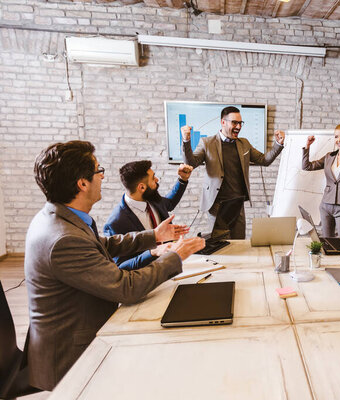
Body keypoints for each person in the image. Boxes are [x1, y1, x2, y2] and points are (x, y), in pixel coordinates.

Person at [25, 141, 205, 390]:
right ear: (82, 183)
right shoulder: (64, 238)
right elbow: (125, 287)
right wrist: (175, 255)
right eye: (99, 170)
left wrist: (154, 235)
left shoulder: (58, 217)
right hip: (72, 356)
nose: (102, 177)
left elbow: (102, 244)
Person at [181, 106, 285, 239]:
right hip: (216, 205)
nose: (238, 126)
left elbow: (264, 160)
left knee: (239, 243)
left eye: (240, 123)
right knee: (219, 246)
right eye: (234, 122)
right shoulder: (207, 143)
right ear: (223, 122)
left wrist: (278, 144)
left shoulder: (244, 143)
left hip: (237, 204)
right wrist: (186, 141)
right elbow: (191, 163)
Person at [103, 160, 193, 270]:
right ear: (141, 187)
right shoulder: (115, 223)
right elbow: (121, 267)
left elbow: (169, 203)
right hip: (147, 279)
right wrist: (153, 253)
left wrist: (182, 179)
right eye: (153, 178)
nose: (157, 180)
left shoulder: (151, 198)